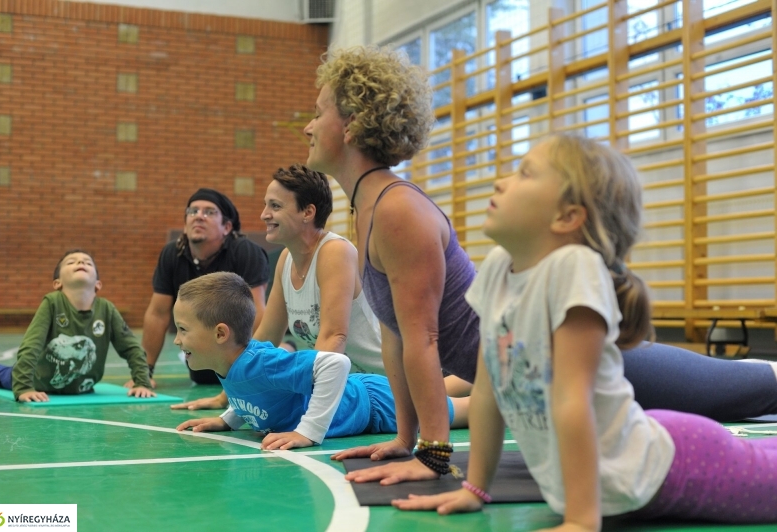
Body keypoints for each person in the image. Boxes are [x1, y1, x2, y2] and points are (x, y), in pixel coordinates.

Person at [308, 45, 777, 485]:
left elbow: (423, 339)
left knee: (748, 388)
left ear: (351, 125)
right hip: (533, 373)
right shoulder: (367, 207)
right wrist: (405, 437)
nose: (308, 127)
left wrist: (433, 453)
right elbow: (394, 334)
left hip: (586, 361)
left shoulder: (397, 209)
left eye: (318, 112)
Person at [392, 134, 777, 526]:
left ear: (567, 217)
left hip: (677, 464)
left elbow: (572, 399)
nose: (500, 182)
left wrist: (580, 520)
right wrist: (474, 489)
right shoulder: (498, 268)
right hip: (650, 439)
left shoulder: (574, 268)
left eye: (525, 174)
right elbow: (489, 393)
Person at [172, 272, 468, 449]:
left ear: (220, 334)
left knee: (464, 410)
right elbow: (255, 392)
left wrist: (308, 431)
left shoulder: (260, 363)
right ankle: (475, 375)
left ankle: (494, 386)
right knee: (434, 390)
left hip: (374, 406)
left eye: (183, 330)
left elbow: (335, 364)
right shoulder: (232, 363)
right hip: (364, 395)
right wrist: (227, 420)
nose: (176, 340)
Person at [171, 163, 383, 411]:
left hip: (381, 388)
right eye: (266, 205)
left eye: (275, 206)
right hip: (345, 390)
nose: (264, 214)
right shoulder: (286, 259)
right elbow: (265, 337)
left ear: (308, 212)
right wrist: (229, 400)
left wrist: (311, 415)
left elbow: (334, 337)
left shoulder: (335, 251)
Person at [0, 250, 155, 402]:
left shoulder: (107, 310)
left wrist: (142, 383)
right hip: (38, 381)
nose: (80, 262)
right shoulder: (52, 302)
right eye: (71, 262)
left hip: (81, 389)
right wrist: (24, 387)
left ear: (98, 284)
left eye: (88, 263)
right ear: (57, 283)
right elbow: (31, 345)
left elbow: (132, 348)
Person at [137, 188, 270, 387]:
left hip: (238, 347)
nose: (198, 216)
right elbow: (157, 314)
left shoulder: (246, 252)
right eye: (193, 211)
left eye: (209, 212)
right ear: (185, 225)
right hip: (205, 348)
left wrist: (249, 369)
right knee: (202, 378)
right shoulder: (172, 254)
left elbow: (257, 313)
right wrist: (144, 372)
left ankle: (285, 349)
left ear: (227, 227)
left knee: (251, 370)